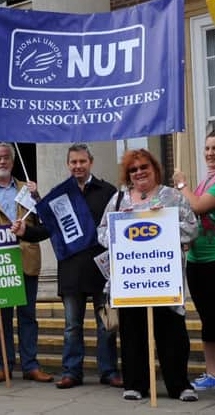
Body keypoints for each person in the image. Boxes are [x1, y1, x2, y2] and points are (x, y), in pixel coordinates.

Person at [12, 144, 121, 389]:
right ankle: (72, 372)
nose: (78, 166)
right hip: (71, 270)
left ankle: (109, 371)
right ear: (68, 165)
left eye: (82, 161)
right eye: (73, 162)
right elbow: (47, 230)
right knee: (72, 326)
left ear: (90, 162)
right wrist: (25, 231)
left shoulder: (108, 191)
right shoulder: (60, 195)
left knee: (106, 324)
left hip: (102, 270)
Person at [97, 148, 198, 402]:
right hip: (131, 280)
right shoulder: (119, 199)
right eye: (133, 169)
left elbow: (191, 229)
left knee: (172, 333)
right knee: (133, 333)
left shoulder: (173, 196)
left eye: (144, 167)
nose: (139, 172)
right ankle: (135, 384)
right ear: (128, 174)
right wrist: (125, 225)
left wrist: (165, 222)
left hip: (163, 279)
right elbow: (102, 233)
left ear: (154, 168)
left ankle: (179, 385)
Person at [0, 142, 53, 383]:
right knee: (2, 317)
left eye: (7, 157)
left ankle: (31, 365)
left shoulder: (28, 190)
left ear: (13, 161)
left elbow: (46, 224)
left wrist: (38, 197)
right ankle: (4, 364)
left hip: (26, 257)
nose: (3, 162)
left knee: (27, 315)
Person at [173, 129, 215, 391]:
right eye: (207, 148)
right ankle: (212, 372)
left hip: (213, 261)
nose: (210, 153)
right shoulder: (206, 181)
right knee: (208, 320)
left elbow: (198, 206)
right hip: (197, 262)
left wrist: (181, 185)